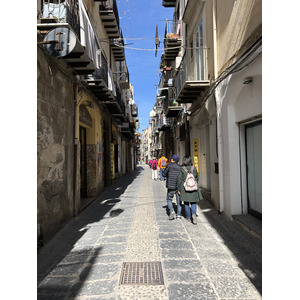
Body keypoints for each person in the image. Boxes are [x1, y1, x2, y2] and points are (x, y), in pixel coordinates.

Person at [177, 155, 203, 225]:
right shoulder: (194, 168)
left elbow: (179, 179)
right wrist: (195, 184)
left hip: (185, 188)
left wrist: (179, 189)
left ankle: (188, 217)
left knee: (186, 203)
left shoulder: (182, 169)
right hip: (193, 188)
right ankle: (194, 214)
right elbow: (197, 177)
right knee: (193, 202)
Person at [162, 155, 181, 220]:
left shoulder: (169, 166)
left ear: (172, 160)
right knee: (179, 201)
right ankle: (178, 215)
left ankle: (172, 211)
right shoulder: (179, 167)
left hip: (170, 186)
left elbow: (163, 174)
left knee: (169, 199)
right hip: (178, 186)